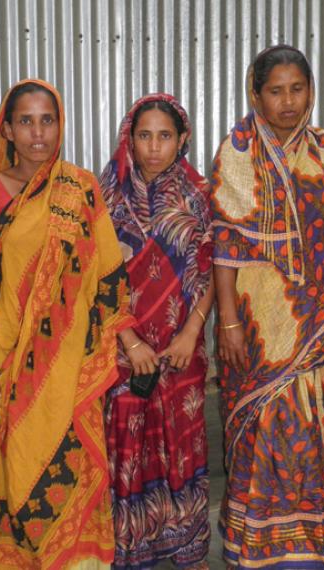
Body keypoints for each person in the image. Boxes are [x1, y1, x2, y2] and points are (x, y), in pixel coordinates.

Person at [0, 78, 134, 569]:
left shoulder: (81, 188)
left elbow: (107, 273)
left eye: (47, 121)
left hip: (71, 369)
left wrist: (128, 337)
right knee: (19, 474)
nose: (38, 133)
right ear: (7, 130)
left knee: (77, 474)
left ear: (60, 126)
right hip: (10, 367)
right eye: (26, 122)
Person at [211, 45, 324, 568]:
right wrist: (228, 321)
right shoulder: (236, 150)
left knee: (309, 428)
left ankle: (303, 543)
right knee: (262, 431)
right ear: (255, 94)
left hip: (318, 320)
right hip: (256, 326)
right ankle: (257, 545)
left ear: (311, 91)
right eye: (275, 90)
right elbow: (226, 246)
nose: (287, 101)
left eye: (297, 89)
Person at [100, 94, 214, 568]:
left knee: (181, 446)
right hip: (123, 350)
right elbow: (97, 278)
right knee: (126, 445)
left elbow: (211, 270)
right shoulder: (105, 195)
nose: (153, 147)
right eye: (143, 135)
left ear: (182, 139)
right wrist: (130, 340)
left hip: (181, 349)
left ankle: (187, 547)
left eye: (164, 136)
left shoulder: (203, 195)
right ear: (130, 137)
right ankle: (133, 548)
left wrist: (190, 333)